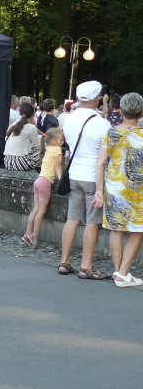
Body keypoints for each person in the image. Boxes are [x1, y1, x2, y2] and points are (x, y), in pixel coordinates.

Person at [56, 80, 111, 278]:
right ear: (97, 99)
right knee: (92, 222)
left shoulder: (68, 119)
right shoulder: (102, 123)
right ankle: (86, 264)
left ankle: (65, 260)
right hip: (92, 177)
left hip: (75, 174)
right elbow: (106, 155)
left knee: (72, 219)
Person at [93, 92, 143, 287]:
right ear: (141, 113)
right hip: (139, 190)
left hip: (114, 186)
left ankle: (118, 270)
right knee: (138, 231)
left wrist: (99, 189)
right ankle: (123, 273)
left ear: (121, 111)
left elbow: (100, 163)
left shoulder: (112, 132)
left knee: (116, 229)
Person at [24, 127, 65, 249]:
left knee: (35, 209)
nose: (62, 142)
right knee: (41, 210)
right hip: (46, 181)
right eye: (61, 140)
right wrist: (62, 179)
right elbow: (57, 166)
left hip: (38, 180)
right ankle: (34, 236)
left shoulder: (46, 148)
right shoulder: (57, 149)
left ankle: (27, 233)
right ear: (53, 141)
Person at [3, 100, 42, 171]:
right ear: (33, 114)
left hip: (7, 161)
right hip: (19, 163)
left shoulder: (14, 124)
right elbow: (38, 146)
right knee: (45, 148)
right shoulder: (30, 127)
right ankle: (41, 172)